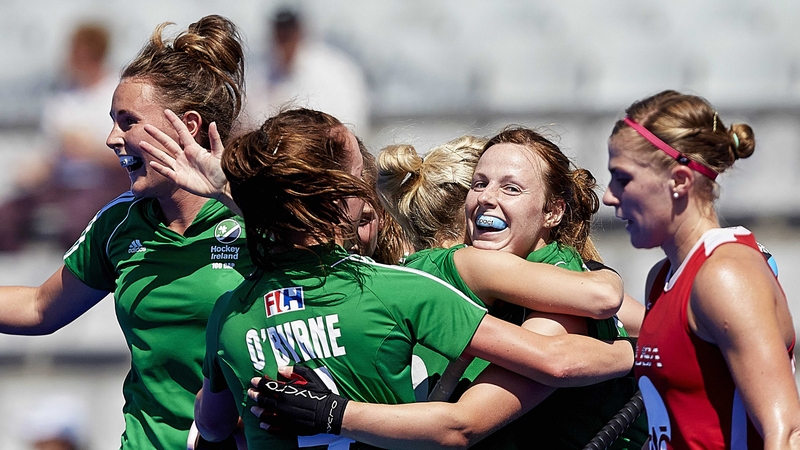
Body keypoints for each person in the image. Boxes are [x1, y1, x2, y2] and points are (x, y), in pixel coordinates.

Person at [141, 107, 636, 449]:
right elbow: (476, 415)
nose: (487, 199)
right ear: (338, 198)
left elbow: (210, 426)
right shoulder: (408, 285)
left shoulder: (229, 314)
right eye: (480, 184)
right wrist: (648, 348)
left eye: (510, 188)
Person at [0, 15, 253, 450]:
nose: (111, 138)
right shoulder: (119, 221)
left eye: (128, 121)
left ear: (187, 126)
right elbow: (41, 308)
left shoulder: (259, 216)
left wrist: (232, 193)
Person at [603, 90, 800, 448]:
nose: (609, 195)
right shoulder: (661, 277)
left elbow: (786, 434)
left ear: (679, 181)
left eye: (623, 178)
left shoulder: (725, 275)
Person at [0, 22, 129, 251]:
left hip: (100, 182)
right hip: (59, 181)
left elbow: (130, 156)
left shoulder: (117, 94)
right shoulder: (62, 95)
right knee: (6, 217)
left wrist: (89, 151)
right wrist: (34, 169)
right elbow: (52, 151)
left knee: (76, 225)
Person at [244, 7, 370, 133]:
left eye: (288, 33)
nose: (284, 40)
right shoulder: (259, 75)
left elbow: (351, 121)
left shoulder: (336, 72)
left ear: (300, 32)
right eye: (280, 33)